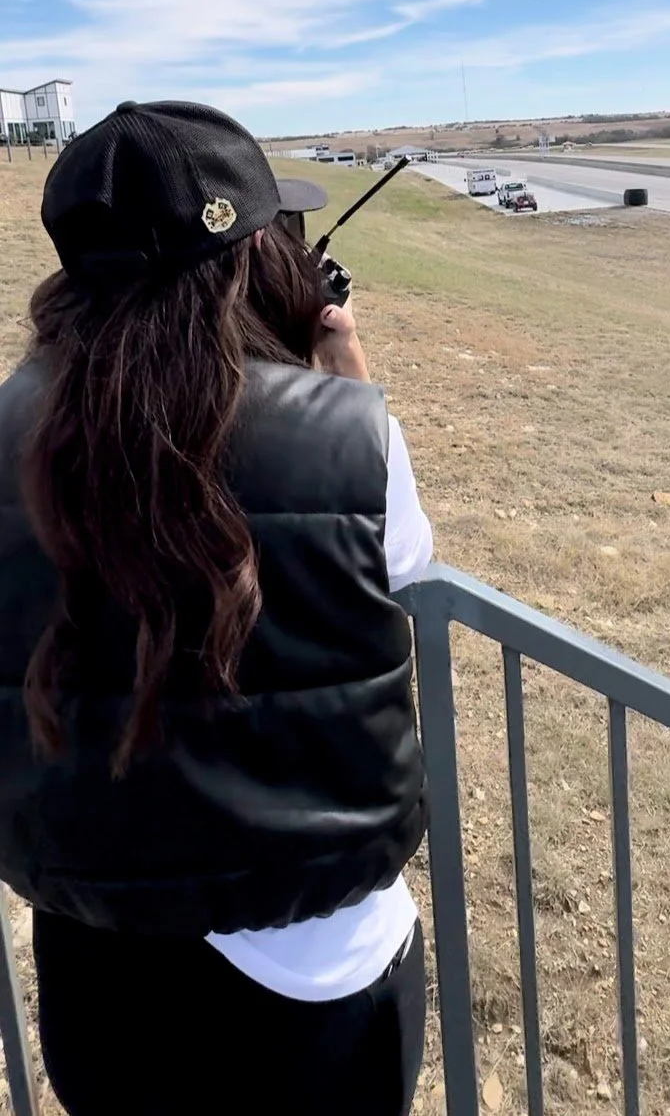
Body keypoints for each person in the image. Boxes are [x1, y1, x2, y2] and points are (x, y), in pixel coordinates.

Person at [0, 100, 433, 1116]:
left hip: (90, 932)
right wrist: (346, 392)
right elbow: (402, 567)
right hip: (316, 963)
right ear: (244, 260)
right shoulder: (350, 433)